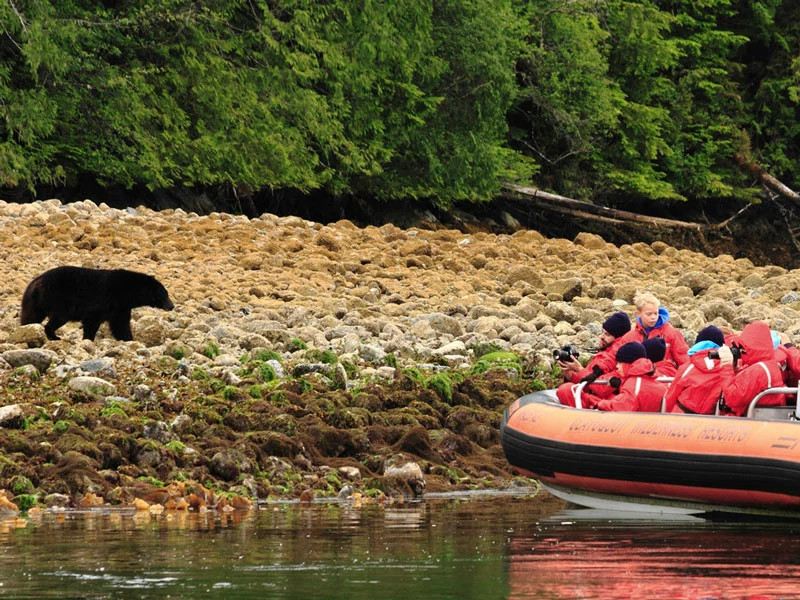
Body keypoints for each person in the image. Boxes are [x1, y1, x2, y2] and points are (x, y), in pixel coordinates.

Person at [555, 311, 631, 408]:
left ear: (618, 337)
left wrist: (580, 369)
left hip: (606, 404)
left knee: (566, 390)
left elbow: (603, 389)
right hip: (594, 400)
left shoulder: (622, 358)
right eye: (602, 332)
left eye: (607, 334)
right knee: (566, 390)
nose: (602, 337)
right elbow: (588, 380)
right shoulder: (605, 353)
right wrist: (569, 374)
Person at [718, 320, 785, 416]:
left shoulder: (757, 370)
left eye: (742, 346)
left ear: (751, 345)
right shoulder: (770, 364)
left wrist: (726, 366)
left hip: (750, 421)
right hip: (765, 419)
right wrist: (735, 369)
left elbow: (733, 399)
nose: (741, 349)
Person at [664, 325, 725, 414]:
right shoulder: (728, 369)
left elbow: (671, 395)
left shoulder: (688, 367)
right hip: (714, 420)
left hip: (682, 417)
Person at [620, 292, 689, 370]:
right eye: (649, 314)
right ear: (638, 313)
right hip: (639, 378)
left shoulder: (671, 333)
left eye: (656, 313)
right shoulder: (628, 338)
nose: (653, 317)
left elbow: (685, 360)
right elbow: (622, 366)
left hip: (665, 378)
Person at [595, 341, 668, 412]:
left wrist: (601, 404)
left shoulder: (634, 384)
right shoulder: (659, 377)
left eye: (620, 362)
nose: (617, 366)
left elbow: (620, 407)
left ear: (628, 363)